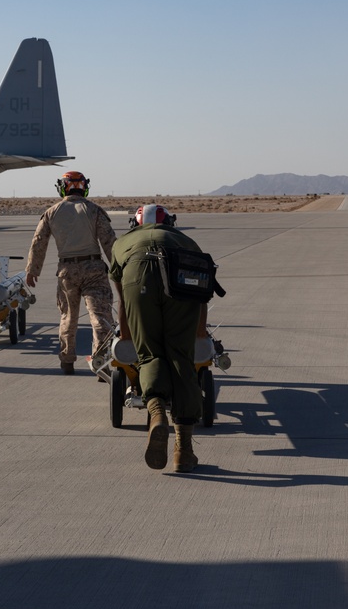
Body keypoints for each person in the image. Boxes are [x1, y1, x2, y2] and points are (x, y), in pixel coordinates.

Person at [109, 204, 213, 473]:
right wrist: (199, 333)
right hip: (180, 277)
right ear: (170, 223)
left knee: (149, 355)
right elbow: (203, 290)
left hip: (136, 277)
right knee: (181, 359)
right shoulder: (186, 240)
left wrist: (127, 335)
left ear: (136, 223)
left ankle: (156, 413)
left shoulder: (123, 242)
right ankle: (184, 451)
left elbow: (122, 299)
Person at [25, 170, 116, 375]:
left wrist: (32, 270)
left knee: (68, 317)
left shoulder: (52, 212)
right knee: (100, 317)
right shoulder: (94, 210)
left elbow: (39, 242)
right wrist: (120, 269)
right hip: (94, 269)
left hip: (67, 272)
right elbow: (109, 241)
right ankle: (101, 363)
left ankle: (67, 360)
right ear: (84, 187)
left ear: (62, 187)